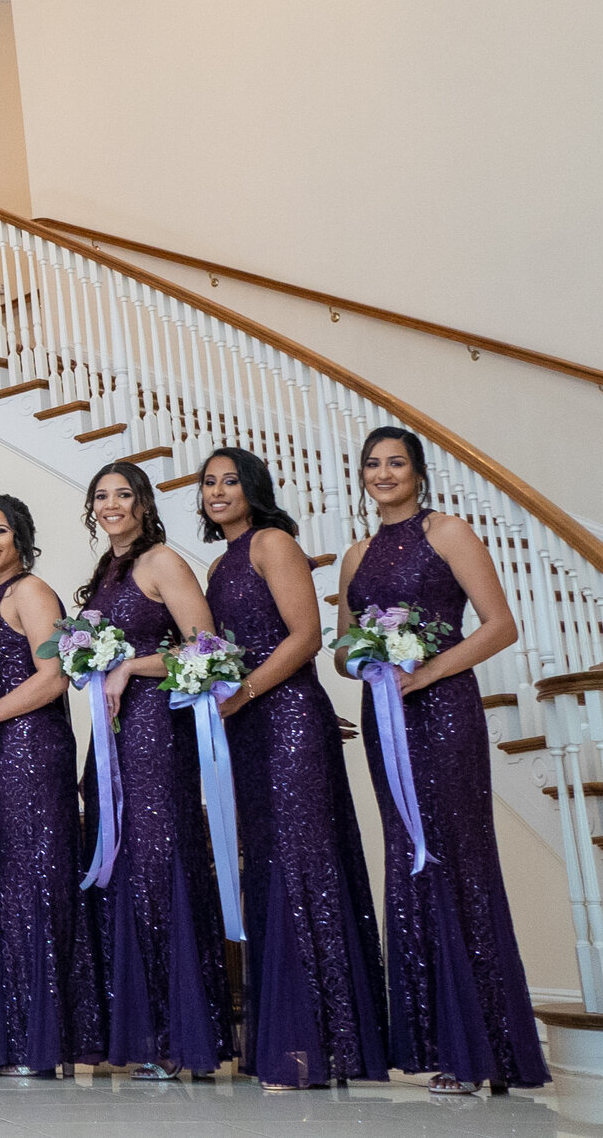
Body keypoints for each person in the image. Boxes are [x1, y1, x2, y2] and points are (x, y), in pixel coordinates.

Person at [339, 426, 546, 1094]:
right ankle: (439, 1042)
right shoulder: (356, 553)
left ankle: (486, 1048)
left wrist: (422, 672)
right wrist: (366, 656)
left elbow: (498, 624)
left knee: (457, 853)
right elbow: (342, 647)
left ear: (418, 472)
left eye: (396, 461)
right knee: (407, 856)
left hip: (442, 709)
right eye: (373, 463)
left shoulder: (448, 531)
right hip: (384, 715)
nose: (383, 472)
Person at [201, 448, 389, 1089]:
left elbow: (307, 635)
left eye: (230, 481)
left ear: (253, 489)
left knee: (301, 867)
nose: (218, 491)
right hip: (254, 727)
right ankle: (295, 1039)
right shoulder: (222, 562)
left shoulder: (272, 541)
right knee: (274, 868)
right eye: (208, 483)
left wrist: (247, 696)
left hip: (279, 719)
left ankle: (322, 1045)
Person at [75, 461, 230, 1079]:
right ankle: (139, 1033)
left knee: (157, 870)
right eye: (101, 496)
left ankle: (175, 1036)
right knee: (121, 872)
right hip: (111, 738)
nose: (111, 504)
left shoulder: (162, 560)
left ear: (143, 504)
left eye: (123, 495)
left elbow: (207, 648)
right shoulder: (108, 572)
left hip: (155, 738)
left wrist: (129, 668)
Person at [0, 495, 102, 1077]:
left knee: (30, 884)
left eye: (0, 530)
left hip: (31, 754)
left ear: (21, 536)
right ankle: (11, 1033)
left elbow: (54, 676)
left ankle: (41, 1040)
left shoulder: (31, 592)